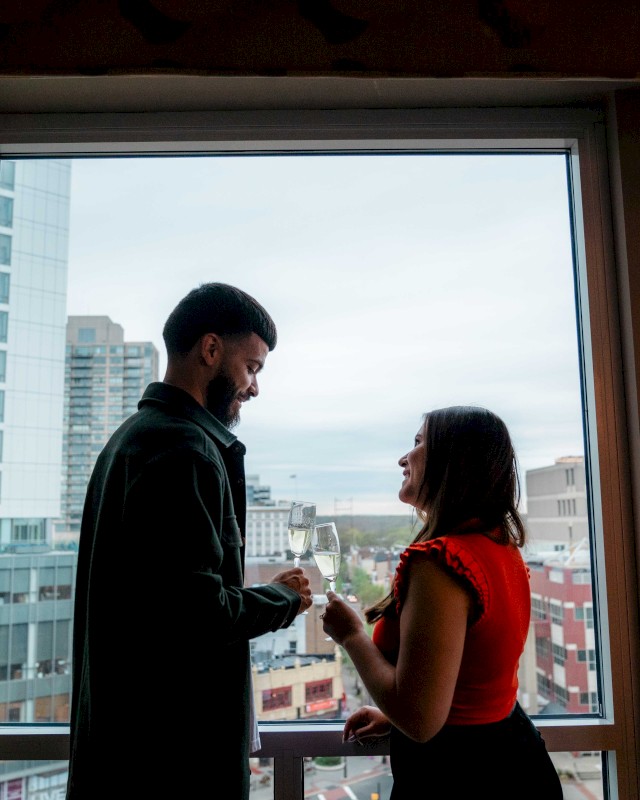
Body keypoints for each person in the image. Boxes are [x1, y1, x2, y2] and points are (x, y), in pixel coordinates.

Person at [66, 283, 312, 800]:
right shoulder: (185, 450)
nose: (253, 387)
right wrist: (284, 598)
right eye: (253, 367)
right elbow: (199, 616)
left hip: (126, 754)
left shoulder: (130, 438)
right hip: (170, 766)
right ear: (211, 349)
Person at [321, 405, 563, 799]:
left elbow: (420, 721)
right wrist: (392, 714)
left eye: (418, 443)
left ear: (453, 461)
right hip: (514, 761)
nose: (403, 458)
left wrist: (351, 636)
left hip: (459, 778)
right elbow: (472, 680)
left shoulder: (441, 564)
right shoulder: (501, 549)